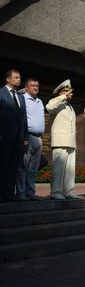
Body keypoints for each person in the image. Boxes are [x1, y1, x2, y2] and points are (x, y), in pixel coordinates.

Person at [46, 79, 79, 200]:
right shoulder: (57, 102)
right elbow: (49, 107)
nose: (71, 94)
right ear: (62, 92)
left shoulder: (70, 106)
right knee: (58, 169)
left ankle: (68, 190)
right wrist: (61, 97)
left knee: (70, 169)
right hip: (60, 141)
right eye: (69, 92)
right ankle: (55, 192)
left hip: (70, 141)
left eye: (70, 92)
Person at [1, 69, 28, 202]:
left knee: (13, 166)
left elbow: (23, 119)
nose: (19, 79)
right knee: (2, 165)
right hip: (4, 137)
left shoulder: (20, 96)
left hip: (18, 138)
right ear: (8, 79)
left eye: (19, 77)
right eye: (16, 77)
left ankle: (8, 193)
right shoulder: (1, 93)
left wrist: (25, 137)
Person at [15, 77, 44, 201]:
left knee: (33, 168)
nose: (35, 87)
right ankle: (21, 193)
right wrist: (23, 136)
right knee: (23, 166)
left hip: (38, 138)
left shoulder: (40, 101)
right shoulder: (22, 99)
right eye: (32, 85)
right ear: (26, 87)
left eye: (37, 85)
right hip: (27, 137)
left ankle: (30, 192)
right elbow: (20, 120)